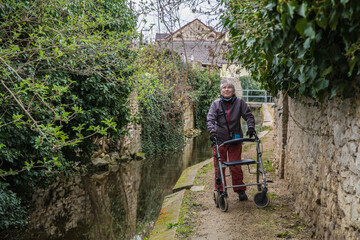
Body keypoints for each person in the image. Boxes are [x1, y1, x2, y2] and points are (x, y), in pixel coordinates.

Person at [206, 79, 255, 201]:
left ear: (233, 91)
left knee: (235, 166)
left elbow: (248, 116)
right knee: (219, 166)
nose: (226, 89)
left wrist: (251, 127)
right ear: (221, 91)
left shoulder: (239, 103)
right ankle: (221, 190)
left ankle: (240, 190)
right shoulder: (216, 104)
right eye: (224, 87)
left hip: (235, 140)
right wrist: (212, 131)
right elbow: (210, 119)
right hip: (220, 140)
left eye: (229, 87)